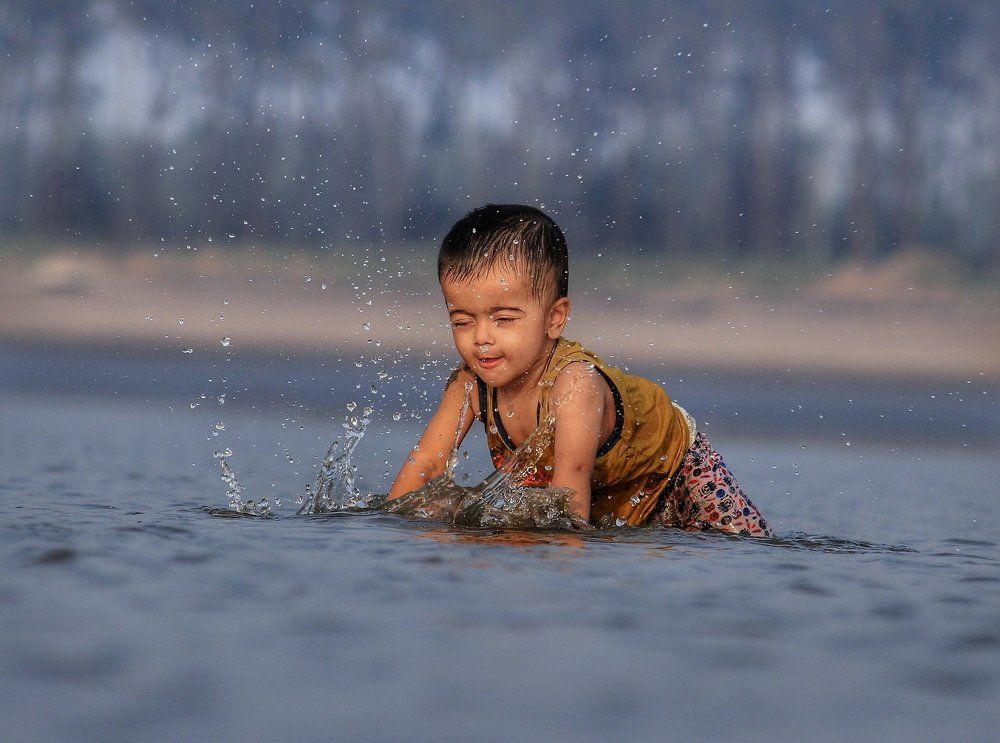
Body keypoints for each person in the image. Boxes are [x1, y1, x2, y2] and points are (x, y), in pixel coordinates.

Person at [387, 204, 773, 536]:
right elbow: (425, 466)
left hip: (677, 470)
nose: (481, 338)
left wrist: (563, 569)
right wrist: (389, 536)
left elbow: (569, 504)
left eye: (503, 319)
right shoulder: (470, 384)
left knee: (742, 545)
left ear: (554, 318)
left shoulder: (574, 386)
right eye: (462, 321)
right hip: (611, 493)